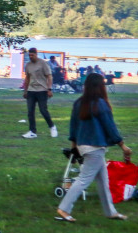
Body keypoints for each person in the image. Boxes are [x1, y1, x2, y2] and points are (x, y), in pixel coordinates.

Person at [55, 72, 133, 222]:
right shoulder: (101, 104)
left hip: (83, 145)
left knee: (103, 181)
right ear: (101, 87)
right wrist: (122, 146)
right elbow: (110, 127)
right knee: (83, 179)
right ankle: (64, 209)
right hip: (95, 147)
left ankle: (110, 211)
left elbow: (73, 127)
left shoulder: (79, 103)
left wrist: (74, 147)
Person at [21, 47, 57, 138]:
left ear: (36, 54)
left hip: (42, 90)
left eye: (32, 55)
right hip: (31, 90)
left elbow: (49, 76)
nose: (31, 57)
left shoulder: (43, 64)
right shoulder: (28, 65)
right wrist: (25, 90)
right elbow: (27, 78)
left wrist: (49, 89)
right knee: (30, 112)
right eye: (29, 55)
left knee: (43, 110)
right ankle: (32, 131)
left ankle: (52, 127)